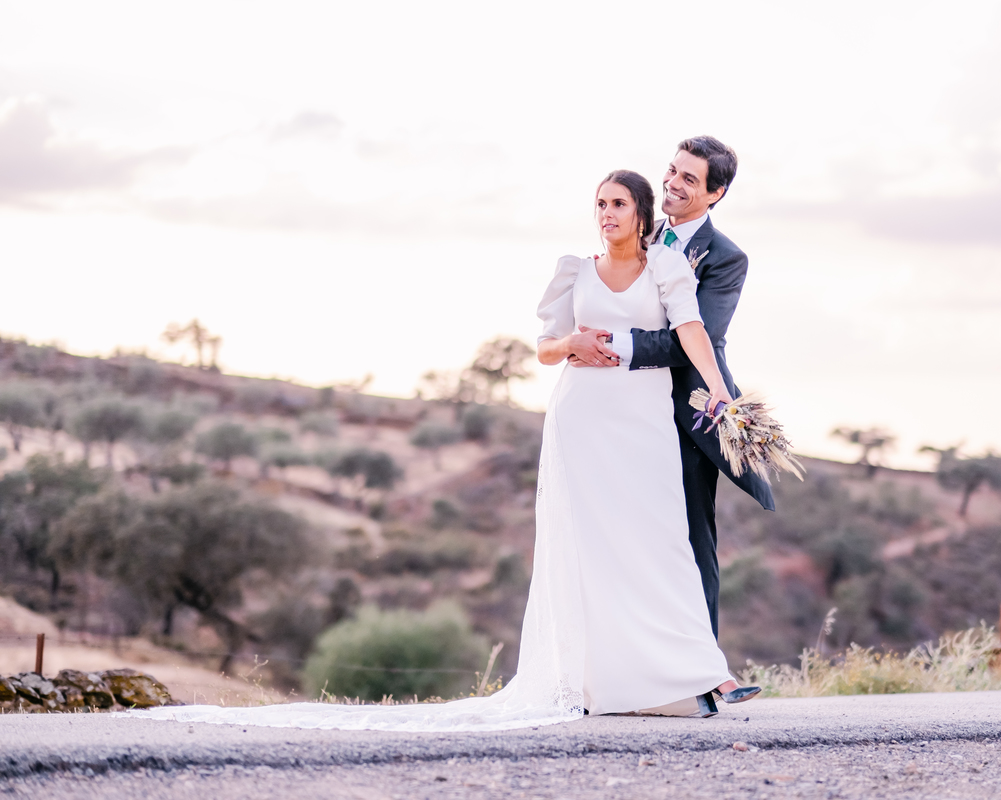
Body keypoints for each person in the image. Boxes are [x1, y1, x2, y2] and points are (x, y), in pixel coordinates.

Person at [131, 168, 758, 733]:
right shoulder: (574, 269)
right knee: (589, 546)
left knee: (660, 539)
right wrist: (571, 344)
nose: (607, 214)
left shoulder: (666, 267)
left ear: (642, 213)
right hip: (582, 418)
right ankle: (606, 684)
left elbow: (692, 332)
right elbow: (544, 349)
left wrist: (723, 396)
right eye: (600, 203)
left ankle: (688, 675)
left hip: (643, 420)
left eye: (618, 204)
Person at [570, 136, 775, 638]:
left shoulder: (726, 258)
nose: (672, 184)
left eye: (689, 178)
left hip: (689, 412)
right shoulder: (638, 232)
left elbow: (694, 339)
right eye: (672, 171)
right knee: (625, 535)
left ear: (715, 193)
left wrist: (613, 345)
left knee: (690, 539)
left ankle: (702, 663)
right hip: (623, 409)